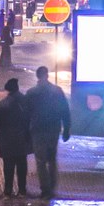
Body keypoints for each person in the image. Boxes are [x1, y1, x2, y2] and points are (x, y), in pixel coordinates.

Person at [28, 64, 72, 198]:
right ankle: (52, 186)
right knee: (52, 159)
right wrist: (66, 129)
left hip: (38, 130)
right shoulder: (57, 91)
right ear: (47, 75)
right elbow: (65, 111)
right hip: (53, 129)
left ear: (37, 77)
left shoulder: (32, 93)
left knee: (40, 160)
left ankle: (45, 189)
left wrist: (26, 130)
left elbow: (26, 113)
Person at [0, 77, 32, 197]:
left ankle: (8, 190)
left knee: (8, 166)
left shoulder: (3, 103)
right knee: (22, 166)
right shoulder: (26, 101)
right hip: (22, 139)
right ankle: (22, 189)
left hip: (7, 140)